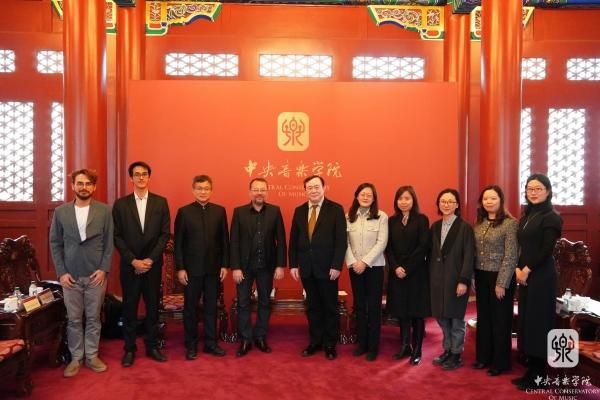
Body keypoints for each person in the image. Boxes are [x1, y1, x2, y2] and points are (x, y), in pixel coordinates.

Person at [49, 169, 113, 378]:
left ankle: (92, 356)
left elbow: (109, 243)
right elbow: (55, 243)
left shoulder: (105, 211)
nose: (83, 187)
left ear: (93, 187)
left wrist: (103, 269)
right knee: (74, 319)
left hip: (96, 275)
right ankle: (76, 357)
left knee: (94, 318)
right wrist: (61, 273)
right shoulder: (61, 212)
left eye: (88, 184)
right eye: (80, 183)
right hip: (71, 277)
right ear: (73, 186)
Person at [113, 161, 171, 367]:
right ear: (131, 178)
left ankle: (152, 346)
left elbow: (164, 235)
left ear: (149, 177)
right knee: (129, 308)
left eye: (144, 174)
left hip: (152, 266)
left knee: (152, 308)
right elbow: (117, 236)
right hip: (130, 266)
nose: (140, 177)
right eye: (136, 174)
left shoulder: (160, 202)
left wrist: (149, 260)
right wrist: (133, 260)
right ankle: (129, 349)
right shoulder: (121, 204)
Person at [513, 173, 562, 391]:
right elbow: (522, 247)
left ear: (548, 191)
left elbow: (546, 249)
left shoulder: (552, 217)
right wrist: (518, 268)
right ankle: (531, 371)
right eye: (529, 189)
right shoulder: (527, 215)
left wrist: (527, 269)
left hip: (541, 276)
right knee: (527, 320)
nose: (533, 192)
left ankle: (540, 374)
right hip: (525, 274)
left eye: (538, 189)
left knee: (539, 322)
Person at [289, 175, 346, 360]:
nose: (313, 190)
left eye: (316, 187)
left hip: (328, 269)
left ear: (324, 188)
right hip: (307, 268)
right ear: (305, 190)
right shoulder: (299, 210)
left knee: (329, 306)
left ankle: (330, 344)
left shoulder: (335, 209)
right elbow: (294, 239)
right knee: (313, 307)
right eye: (309, 188)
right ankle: (315, 341)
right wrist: (293, 264)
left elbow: (341, 241)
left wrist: (336, 265)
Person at [174, 175, 229, 360]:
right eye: (199, 188)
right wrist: (180, 268)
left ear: (211, 190)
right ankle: (191, 344)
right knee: (190, 308)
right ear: (193, 190)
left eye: (206, 188)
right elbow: (178, 244)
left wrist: (225, 265)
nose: (203, 192)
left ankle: (211, 343)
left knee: (211, 308)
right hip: (191, 271)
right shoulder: (184, 212)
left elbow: (224, 240)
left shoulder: (220, 211)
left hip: (214, 269)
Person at [230, 178, 286, 357]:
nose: (259, 193)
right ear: (250, 192)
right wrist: (235, 267)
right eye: (256, 189)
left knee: (264, 302)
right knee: (243, 303)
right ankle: (246, 339)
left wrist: (280, 265)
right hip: (244, 268)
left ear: (267, 192)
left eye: (262, 189)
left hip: (266, 267)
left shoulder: (275, 211)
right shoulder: (239, 212)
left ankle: (260, 336)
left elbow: (281, 240)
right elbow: (234, 242)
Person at [471, 185, 518, 376]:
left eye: (493, 198)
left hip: (500, 276)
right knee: (484, 318)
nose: (489, 202)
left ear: (501, 201)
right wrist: (472, 277)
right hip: (481, 275)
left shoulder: (510, 224)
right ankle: (483, 357)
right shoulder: (479, 223)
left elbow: (511, 255)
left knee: (500, 320)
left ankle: (500, 362)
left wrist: (502, 283)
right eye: (485, 199)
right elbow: (474, 252)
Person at [429, 188, 475, 370]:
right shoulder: (435, 227)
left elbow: (469, 256)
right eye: (443, 201)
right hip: (437, 279)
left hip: (456, 279)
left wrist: (464, 280)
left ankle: (456, 353)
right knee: (441, 317)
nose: (446, 205)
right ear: (438, 204)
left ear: (457, 205)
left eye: (450, 201)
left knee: (456, 318)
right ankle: (447, 350)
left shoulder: (465, 228)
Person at [385, 186, 430, 366]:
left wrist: (407, 268)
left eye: (407, 198)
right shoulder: (391, 221)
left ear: (413, 201)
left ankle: (417, 349)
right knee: (402, 311)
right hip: (397, 273)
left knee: (417, 313)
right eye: (400, 198)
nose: (403, 202)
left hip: (416, 272)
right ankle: (405, 346)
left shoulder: (421, 219)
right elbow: (388, 247)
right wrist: (396, 267)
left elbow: (423, 247)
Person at [345, 183, 388, 361]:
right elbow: (345, 243)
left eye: (369, 195)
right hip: (355, 268)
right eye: (362, 194)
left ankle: (373, 346)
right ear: (356, 196)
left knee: (374, 307)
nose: (365, 197)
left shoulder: (381, 216)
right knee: (360, 306)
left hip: (374, 268)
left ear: (374, 198)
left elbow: (382, 242)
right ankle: (362, 343)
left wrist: (365, 262)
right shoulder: (349, 217)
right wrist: (354, 262)